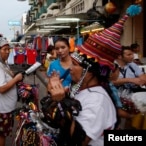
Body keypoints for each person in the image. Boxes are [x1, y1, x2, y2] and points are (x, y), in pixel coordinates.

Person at [44, 6, 142, 145]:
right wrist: (59, 98)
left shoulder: (97, 100)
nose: (70, 68)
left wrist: (62, 103)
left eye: (75, 64)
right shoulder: (83, 90)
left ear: (89, 71)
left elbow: (79, 140)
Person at [0, 34, 23, 146]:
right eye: (5, 49)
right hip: (2, 109)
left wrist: (13, 76)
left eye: (8, 49)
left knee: (0, 134)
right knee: (1, 136)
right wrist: (16, 79)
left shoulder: (2, 64)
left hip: (5, 108)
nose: (8, 52)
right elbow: (2, 88)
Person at [113, 46, 146, 129]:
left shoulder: (132, 65)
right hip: (117, 96)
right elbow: (111, 81)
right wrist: (130, 80)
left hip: (132, 95)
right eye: (129, 54)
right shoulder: (112, 66)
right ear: (120, 56)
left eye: (132, 54)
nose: (132, 56)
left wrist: (138, 80)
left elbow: (143, 78)